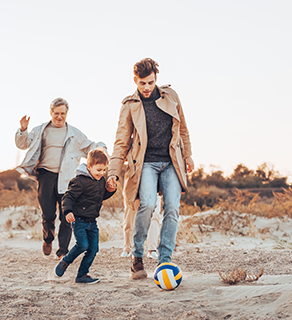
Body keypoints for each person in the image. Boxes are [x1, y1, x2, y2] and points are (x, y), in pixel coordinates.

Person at [107, 58, 194, 279]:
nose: (146, 88)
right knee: (146, 204)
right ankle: (137, 257)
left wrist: (188, 155)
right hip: (145, 163)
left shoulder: (171, 97)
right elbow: (121, 141)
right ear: (135, 80)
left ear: (156, 79)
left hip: (171, 162)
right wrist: (113, 172)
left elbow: (182, 128)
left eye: (150, 82)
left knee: (172, 208)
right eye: (142, 83)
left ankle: (165, 261)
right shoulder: (129, 105)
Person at [15, 97, 106, 259]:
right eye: (56, 113)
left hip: (68, 178)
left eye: (62, 113)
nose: (59, 116)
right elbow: (23, 144)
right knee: (48, 214)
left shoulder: (74, 134)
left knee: (67, 215)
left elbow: (89, 146)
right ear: (51, 113)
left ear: (66, 114)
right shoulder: (40, 130)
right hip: (46, 176)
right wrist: (23, 129)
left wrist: (101, 146)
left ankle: (62, 251)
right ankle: (48, 238)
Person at [54, 149, 115, 284]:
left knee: (93, 249)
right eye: (98, 170)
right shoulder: (79, 181)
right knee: (82, 245)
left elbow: (101, 196)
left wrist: (110, 190)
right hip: (79, 220)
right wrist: (68, 211)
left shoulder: (100, 180)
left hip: (92, 221)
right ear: (89, 167)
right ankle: (65, 261)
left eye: (104, 170)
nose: (101, 173)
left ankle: (82, 276)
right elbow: (67, 197)